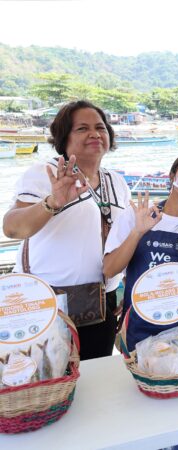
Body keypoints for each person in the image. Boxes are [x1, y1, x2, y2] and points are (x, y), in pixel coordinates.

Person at [3, 100, 130, 360]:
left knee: (94, 377)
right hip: (46, 301)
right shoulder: (45, 173)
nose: (95, 133)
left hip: (101, 301)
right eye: (82, 128)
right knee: (47, 380)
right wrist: (53, 202)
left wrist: (125, 288)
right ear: (64, 137)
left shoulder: (116, 181)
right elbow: (13, 228)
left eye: (100, 127)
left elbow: (122, 238)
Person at [103, 153, 178, 351]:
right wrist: (137, 232)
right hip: (137, 326)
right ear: (172, 176)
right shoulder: (137, 215)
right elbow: (109, 270)